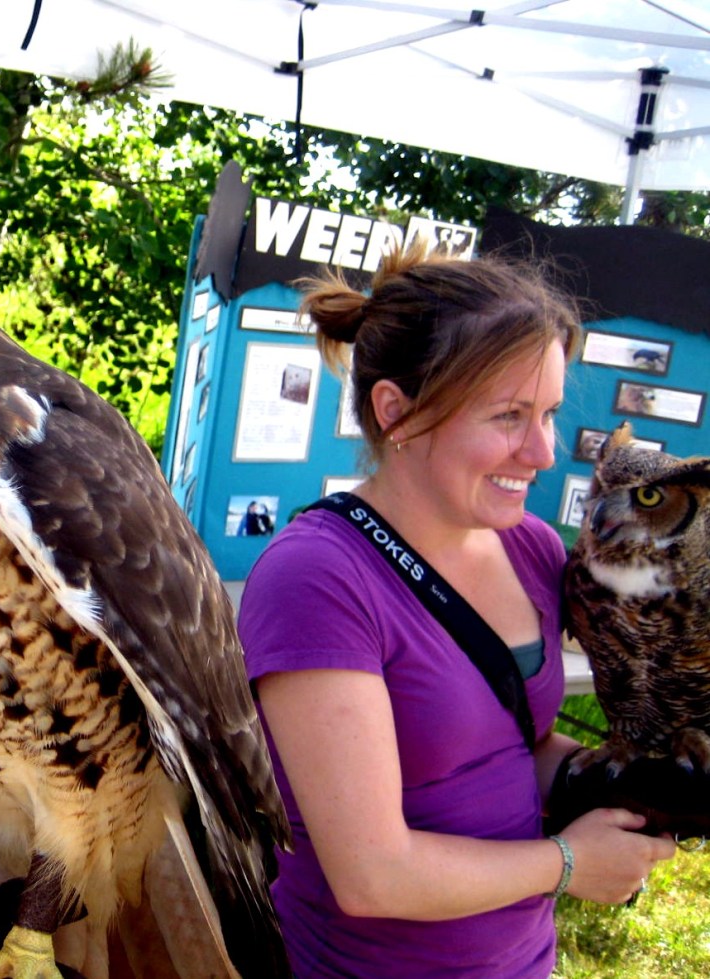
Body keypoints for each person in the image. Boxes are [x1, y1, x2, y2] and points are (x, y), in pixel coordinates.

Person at [237, 245, 676, 978]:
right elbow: (372, 874)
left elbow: (515, 747)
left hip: (522, 960)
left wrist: (648, 782)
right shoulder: (318, 577)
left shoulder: (529, 545)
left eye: (548, 413)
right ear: (397, 413)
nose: (543, 451)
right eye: (508, 416)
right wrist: (570, 862)